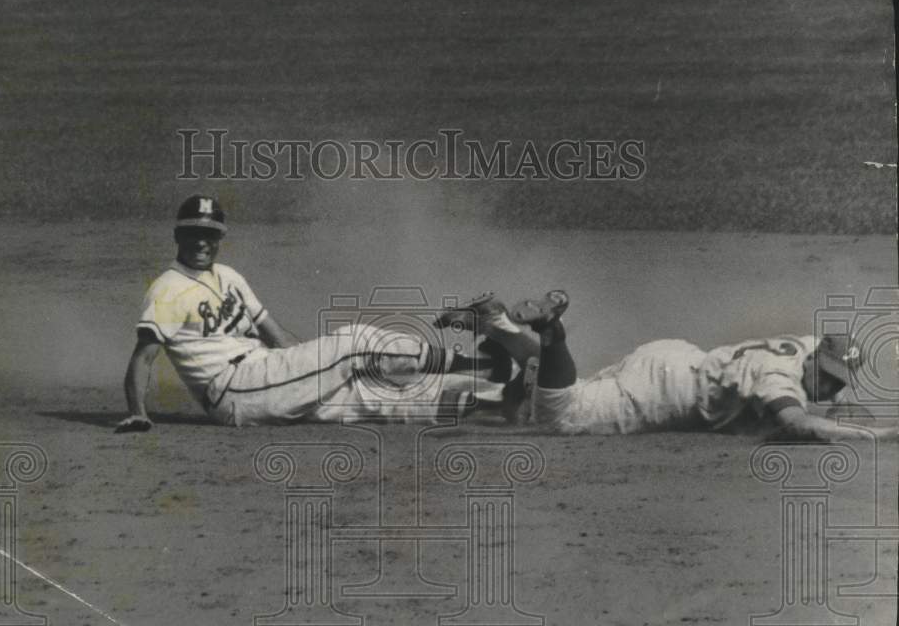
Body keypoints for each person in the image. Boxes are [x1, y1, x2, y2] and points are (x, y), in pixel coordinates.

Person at [116, 195, 498, 432]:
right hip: (233, 391)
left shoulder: (229, 276)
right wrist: (138, 413)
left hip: (268, 377)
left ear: (219, 238)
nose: (202, 241)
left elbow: (274, 335)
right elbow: (144, 357)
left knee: (371, 397)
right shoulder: (167, 289)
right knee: (355, 343)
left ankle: (504, 399)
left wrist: (307, 365)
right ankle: (479, 364)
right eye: (194, 232)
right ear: (178, 235)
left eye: (210, 234)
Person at [434, 290, 898, 441]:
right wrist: (876, 436)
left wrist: (840, 398)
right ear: (815, 358)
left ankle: (497, 323)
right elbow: (798, 425)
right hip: (662, 392)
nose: (829, 387)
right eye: (826, 376)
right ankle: (553, 333)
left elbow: (830, 386)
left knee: (571, 392)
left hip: (673, 357)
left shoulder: (807, 346)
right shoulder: (777, 377)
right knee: (564, 416)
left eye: (837, 378)